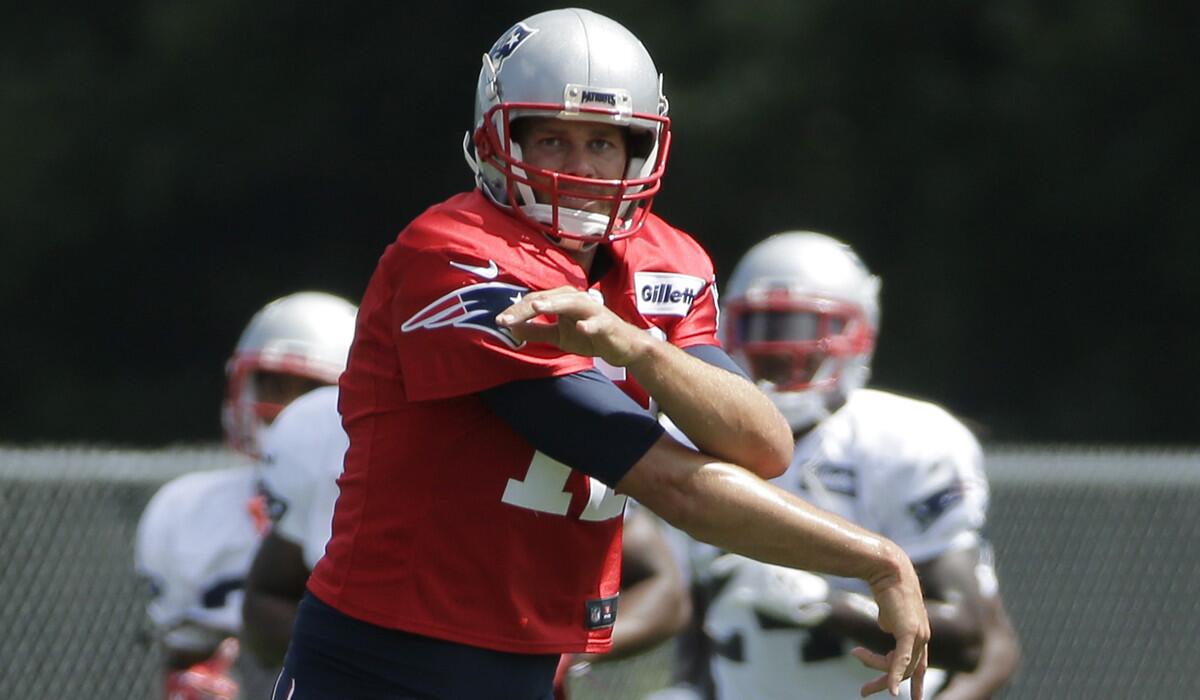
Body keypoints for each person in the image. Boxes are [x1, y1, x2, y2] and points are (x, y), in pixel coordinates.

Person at [273, 9, 930, 700]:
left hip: (528, 661)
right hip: (382, 664)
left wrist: (632, 344)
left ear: (641, 149)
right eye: (551, 139)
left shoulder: (663, 262)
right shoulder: (455, 257)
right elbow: (670, 483)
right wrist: (877, 560)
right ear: (496, 141)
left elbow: (762, 445)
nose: (579, 169)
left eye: (602, 143)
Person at [654, 231, 1021, 699]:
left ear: (859, 333)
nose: (779, 351)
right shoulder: (685, 436)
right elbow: (701, 624)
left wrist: (825, 605)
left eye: (802, 330)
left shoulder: (902, 441)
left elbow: (974, 639)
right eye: (762, 327)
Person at [133, 291, 356, 700]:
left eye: (310, 389)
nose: (289, 408)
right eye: (273, 384)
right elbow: (187, 656)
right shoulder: (189, 510)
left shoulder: (370, 510)